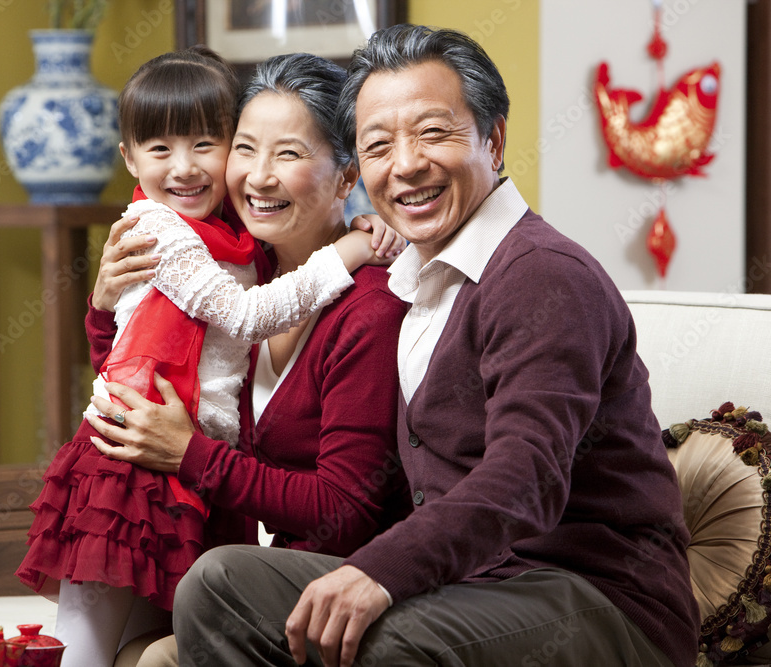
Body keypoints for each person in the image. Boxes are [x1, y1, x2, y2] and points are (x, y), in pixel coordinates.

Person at [168, 25, 700, 667]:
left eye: (433, 133)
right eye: (379, 145)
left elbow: (525, 473)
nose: (407, 164)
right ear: (359, 168)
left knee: (385, 641)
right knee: (218, 585)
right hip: (468, 589)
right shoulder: (408, 280)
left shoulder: (541, 275)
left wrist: (381, 573)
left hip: (596, 597)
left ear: (493, 140)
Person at [14, 47, 402, 667]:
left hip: (310, 579)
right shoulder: (247, 259)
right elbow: (150, 365)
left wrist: (189, 454)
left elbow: (344, 509)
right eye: (247, 148)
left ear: (348, 176)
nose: (257, 176)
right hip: (187, 513)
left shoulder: (363, 310)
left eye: (289, 153)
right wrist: (103, 301)